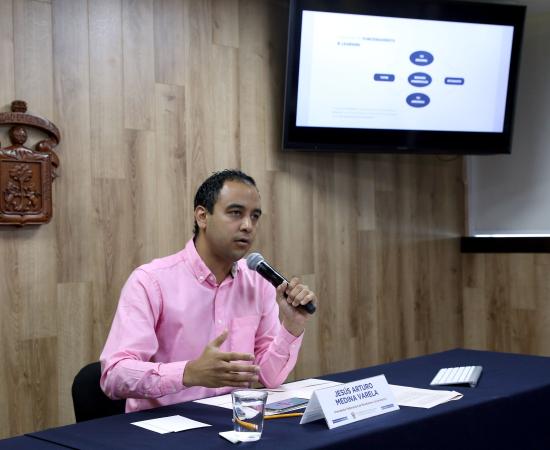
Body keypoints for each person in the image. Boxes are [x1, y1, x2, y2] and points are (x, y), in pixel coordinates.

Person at [100, 169, 318, 412]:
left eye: (254, 216)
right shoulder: (151, 281)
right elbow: (114, 375)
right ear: (202, 217)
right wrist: (188, 373)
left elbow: (269, 378)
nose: (248, 226)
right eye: (235, 213)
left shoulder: (258, 283)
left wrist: (292, 325)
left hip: (234, 421)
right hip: (163, 426)